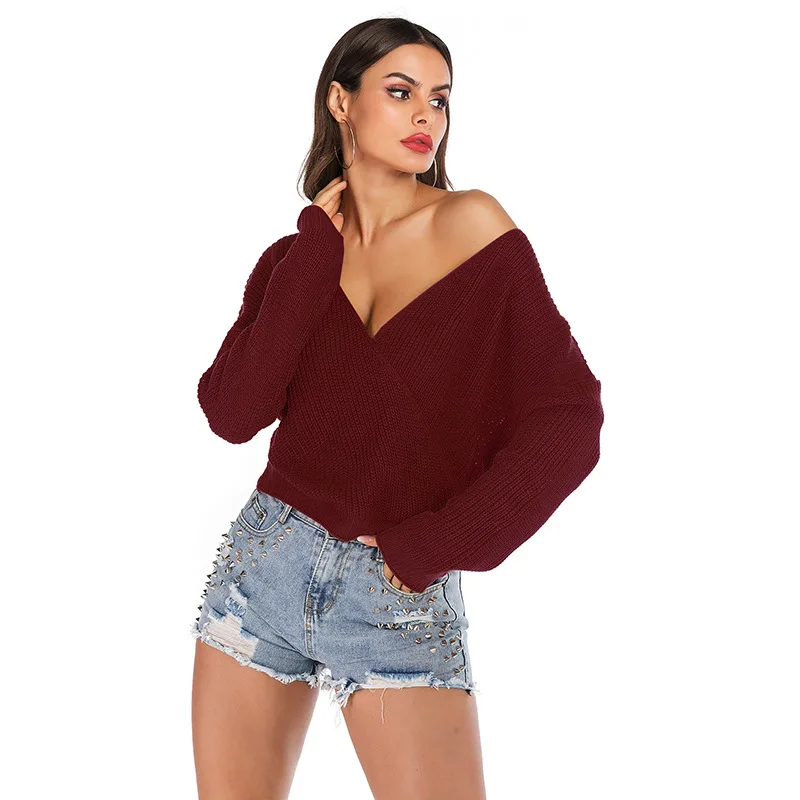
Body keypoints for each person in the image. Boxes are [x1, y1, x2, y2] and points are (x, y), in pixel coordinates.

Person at [190, 17, 603, 800]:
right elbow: (233, 412)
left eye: (439, 99)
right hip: (263, 571)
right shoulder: (292, 259)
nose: (426, 116)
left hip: (396, 592)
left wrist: (440, 542)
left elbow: (569, 416)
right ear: (340, 101)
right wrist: (315, 250)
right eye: (401, 91)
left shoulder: (472, 227)